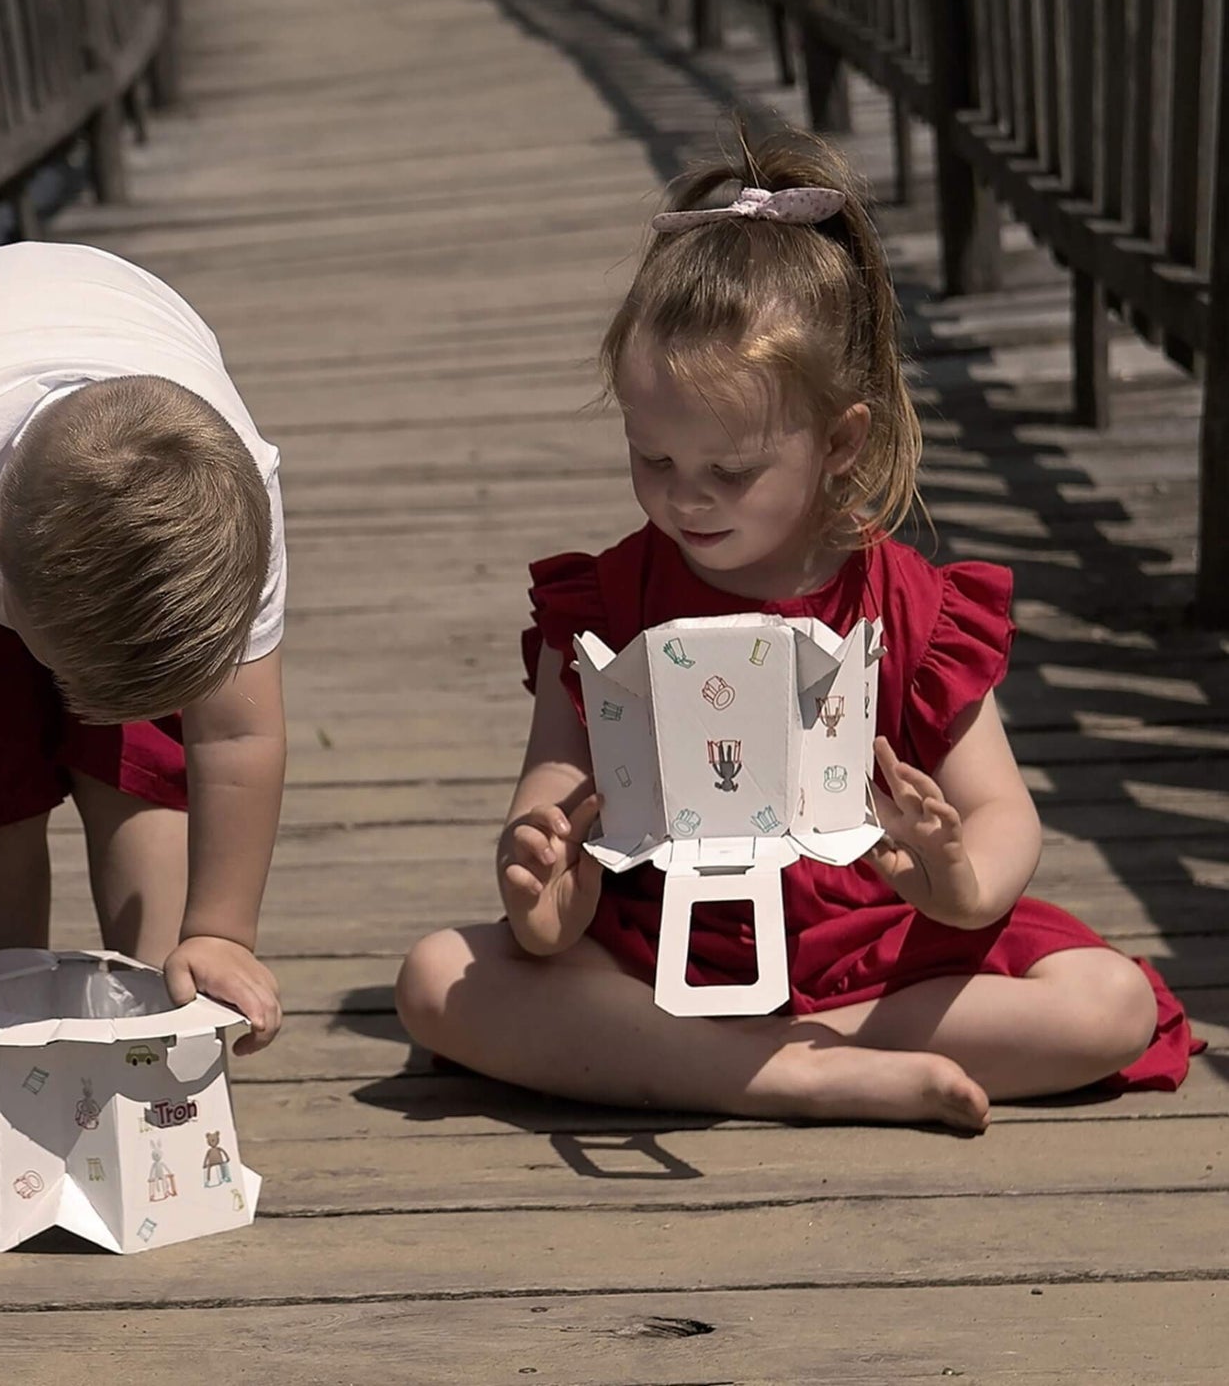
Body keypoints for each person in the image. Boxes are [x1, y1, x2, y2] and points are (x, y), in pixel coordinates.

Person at [395, 128, 1202, 1131]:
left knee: (1108, 1000)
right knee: (437, 976)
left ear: (838, 440)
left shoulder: (905, 602)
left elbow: (1000, 809)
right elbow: (553, 794)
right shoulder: (600, 604)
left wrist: (955, 875)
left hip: (875, 942)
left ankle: (726, 1063)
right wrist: (543, 889)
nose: (683, 500)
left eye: (727, 471)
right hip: (662, 950)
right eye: (651, 460)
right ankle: (801, 1075)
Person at [0, 242, 287, 1057]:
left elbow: (238, 736)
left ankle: (160, 1005)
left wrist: (224, 930)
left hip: (118, 357)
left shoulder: (235, 494)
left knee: (147, 761)